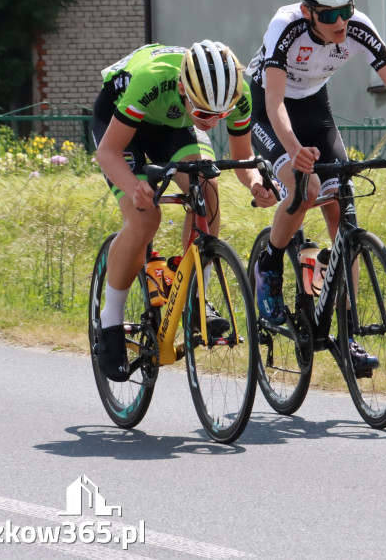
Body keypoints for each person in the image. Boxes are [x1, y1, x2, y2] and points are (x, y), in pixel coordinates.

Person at [246, 0, 386, 373]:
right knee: (304, 188)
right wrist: (294, 151)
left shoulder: (358, 26)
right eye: (330, 14)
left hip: (313, 107)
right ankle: (269, 266)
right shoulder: (285, 27)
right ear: (308, 10)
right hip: (267, 106)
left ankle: (347, 332)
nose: (341, 20)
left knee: (343, 207)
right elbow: (273, 106)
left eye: (347, 9)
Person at [92, 40, 278, 381]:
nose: (214, 121)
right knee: (145, 218)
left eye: (221, 115)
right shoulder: (153, 80)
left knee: (207, 188)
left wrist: (254, 184)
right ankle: (111, 322)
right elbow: (107, 153)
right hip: (121, 121)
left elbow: (241, 159)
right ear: (183, 87)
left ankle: (196, 302)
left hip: (174, 125)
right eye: (206, 114)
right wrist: (136, 189)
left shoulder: (236, 93)